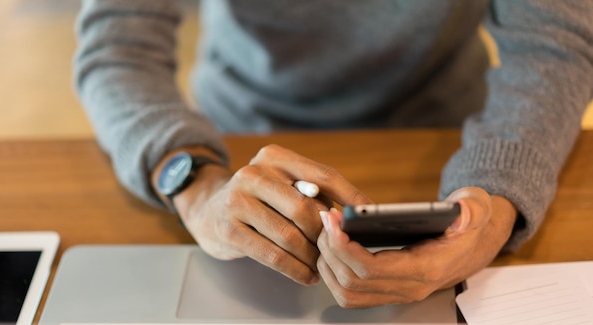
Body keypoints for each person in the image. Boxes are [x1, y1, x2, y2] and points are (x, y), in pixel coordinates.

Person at [74, 0, 593, 308]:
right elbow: (117, 48)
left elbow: (554, 44)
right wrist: (196, 187)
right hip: (236, 150)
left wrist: (497, 206)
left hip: (449, 136)